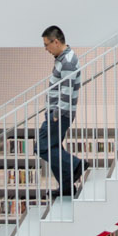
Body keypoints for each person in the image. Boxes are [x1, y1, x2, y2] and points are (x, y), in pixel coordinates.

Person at [37, 25, 87, 201]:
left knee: (41, 147)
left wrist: (57, 114)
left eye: (47, 44)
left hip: (60, 114)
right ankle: (66, 187)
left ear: (56, 41)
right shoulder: (62, 58)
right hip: (57, 113)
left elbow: (66, 89)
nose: (46, 49)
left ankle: (76, 164)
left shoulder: (68, 61)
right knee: (53, 148)